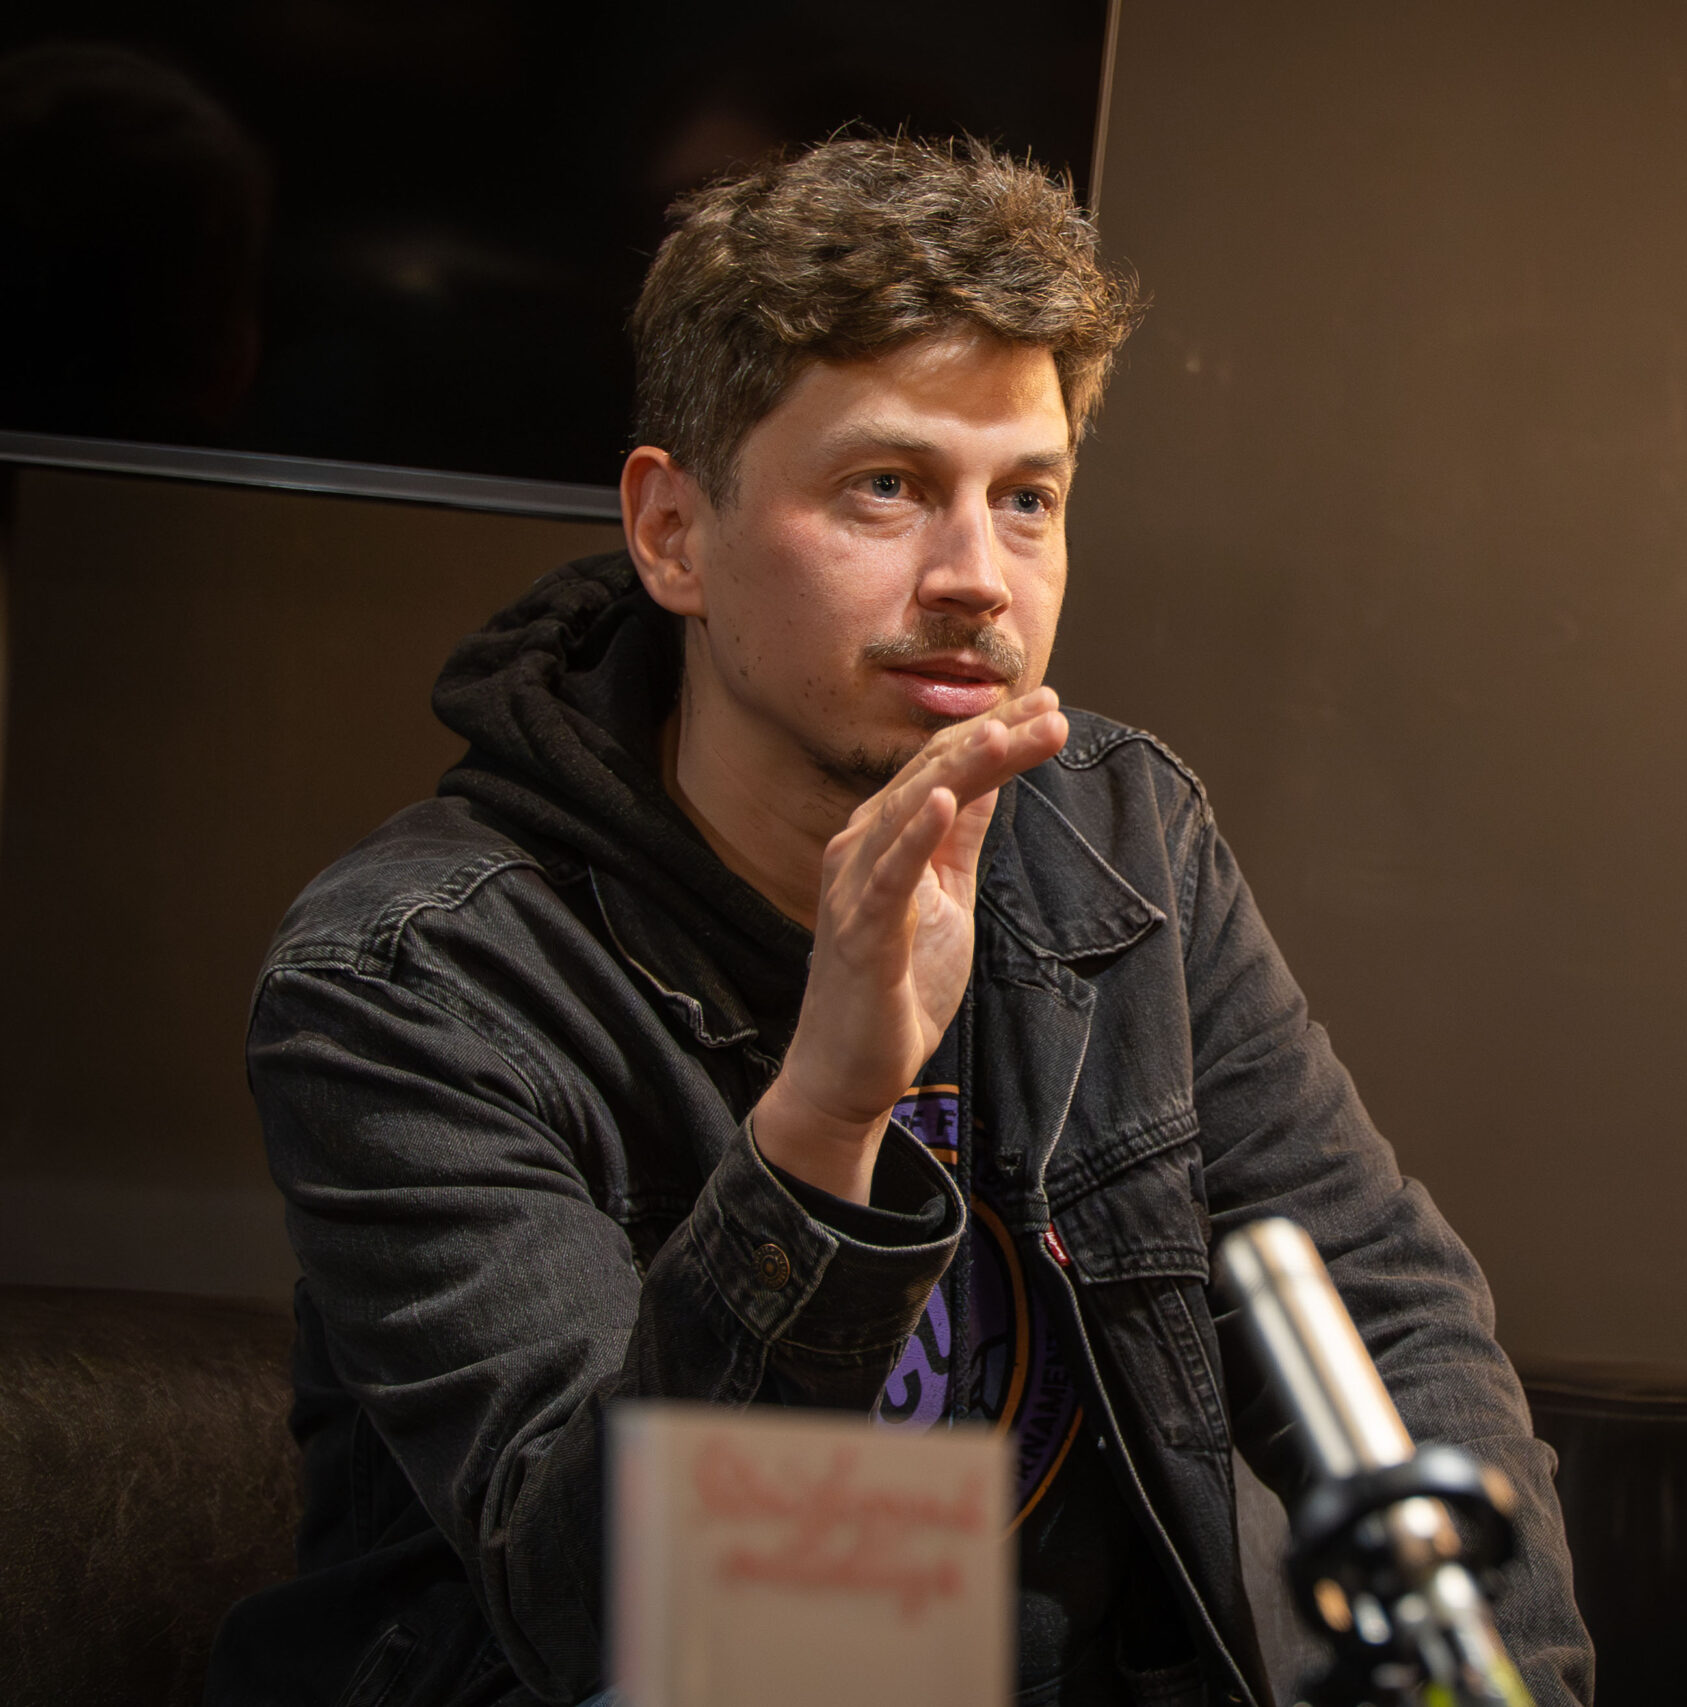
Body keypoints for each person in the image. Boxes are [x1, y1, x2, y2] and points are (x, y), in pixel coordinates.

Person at [205, 137, 1593, 1707]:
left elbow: (1392, 1326)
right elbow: (620, 1612)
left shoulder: (1116, 840)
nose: (976, 579)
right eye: (888, 487)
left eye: (1028, 499)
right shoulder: (417, 975)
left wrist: (1499, 1685)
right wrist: (826, 1117)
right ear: (673, 533)